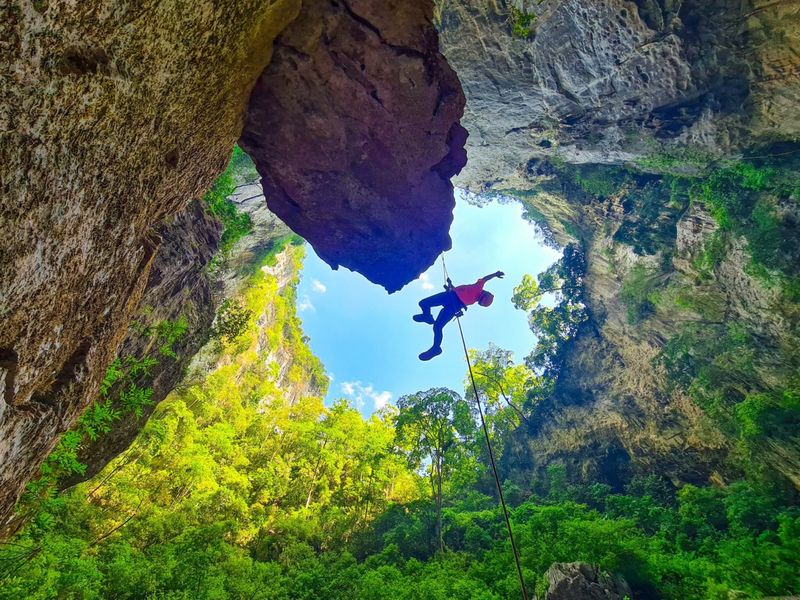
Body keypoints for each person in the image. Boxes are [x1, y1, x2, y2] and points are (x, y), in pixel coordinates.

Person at [413, 271, 505, 361]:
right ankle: (435, 345)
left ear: (484, 293)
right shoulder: (473, 298)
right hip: (453, 305)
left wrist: (495, 274)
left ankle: (427, 318)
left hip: (450, 298)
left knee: (424, 304)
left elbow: (485, 279)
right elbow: (459, 293)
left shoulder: (477, 288)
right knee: (437, 327)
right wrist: (450, 284)